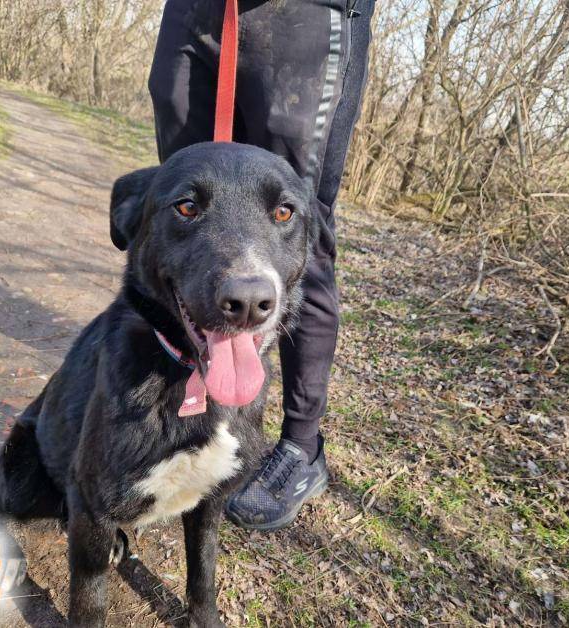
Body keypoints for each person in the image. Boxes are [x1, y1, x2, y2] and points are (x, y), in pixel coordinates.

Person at [149, 0, 373, 530]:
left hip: (306, 16)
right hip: (194, 11)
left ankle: (301, 446)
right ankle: (186, 401)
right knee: (187, 210)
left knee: (296, 232)